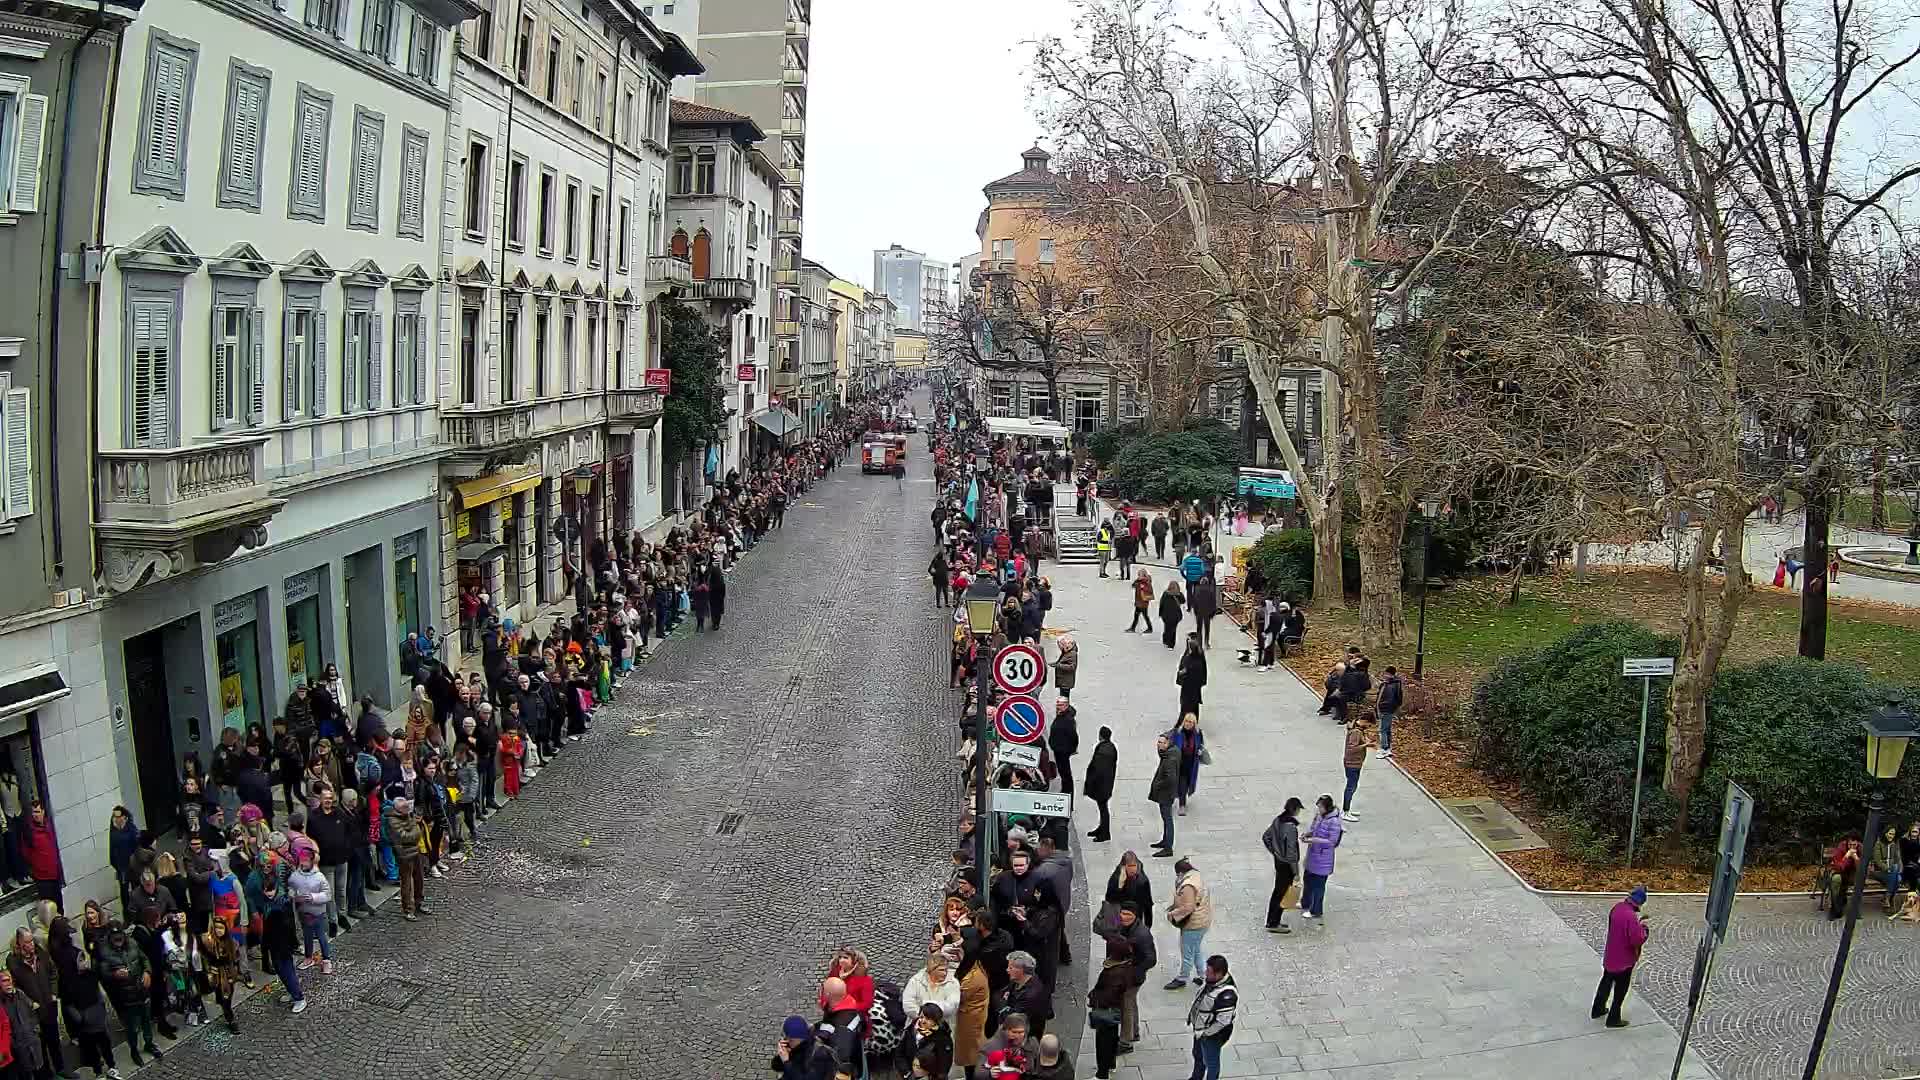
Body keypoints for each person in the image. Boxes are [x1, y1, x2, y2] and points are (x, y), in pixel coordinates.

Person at [1593, 886, 1649, 1028]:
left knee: (1605, 982)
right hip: (1624, 960)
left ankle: (1597, 1009)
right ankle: (1613, 1018)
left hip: (1610, 955)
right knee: (1620, 990)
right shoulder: (1630, 916)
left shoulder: (1617, 908)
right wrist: (1644, 928)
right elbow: (1637, 939)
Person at [1186, 955, 1238, 1080]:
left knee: (1211, 1063)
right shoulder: (1213, 982)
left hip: (1212, 1035)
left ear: (1219, 974)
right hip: (1200, 1030)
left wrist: (1205, 1033)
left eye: (1209, 972)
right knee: (1198, 1055)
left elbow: (1222, 1021)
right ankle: (1196, 1077)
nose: (1205, 974)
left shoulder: (1227, 994)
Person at [1165, 858, 1212, 990]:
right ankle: (1203, 975)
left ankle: (1182, 978)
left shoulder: (1188, 886)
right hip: (1203, 920)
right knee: (1195, 948)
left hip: (1194, 924)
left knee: (1187, 952)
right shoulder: (1196, 875)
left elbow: (1188, 907)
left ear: (1180, 872)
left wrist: (1172, 914)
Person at [1262, 797, 1304, 934]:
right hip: (1286, 865)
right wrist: (1296, 871)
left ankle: (1272, 920)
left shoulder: (1278, 820)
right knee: (1281, 893)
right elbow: (1292, 852)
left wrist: (1275, 852)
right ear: (1296, 809)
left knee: (1277, 891)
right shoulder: (1291, 827)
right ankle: (1274, 923)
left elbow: (1266, 837)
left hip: (1279, 862)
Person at [1300, 794, 1344, 922]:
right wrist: (1307, 834)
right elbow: (1313, 828)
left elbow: (1332, 841)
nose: (1318, 809)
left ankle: (1315, 911)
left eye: (1320, 807)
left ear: (1327, 807)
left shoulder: (1334, 822)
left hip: (1323, 858)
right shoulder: (1319, 816)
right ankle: (1305, 903)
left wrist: (1313, 840)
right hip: (1312, 855)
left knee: (1318, 886)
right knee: (1307, 880)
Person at [902, 952, 960, 1040]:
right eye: (941, 970)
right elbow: (908, 1004)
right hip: (917, 1028)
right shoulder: (916, 981)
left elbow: (952, 1005)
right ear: (931, 970)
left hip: (942, 1031)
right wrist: (923, 1020)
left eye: (946, 970)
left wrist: (930, 1017)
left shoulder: (953, 983)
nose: (945, 973)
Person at [1001, 950, 1052, 1038]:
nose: (1007, 970)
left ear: (1021, 970)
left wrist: (1003, 1004)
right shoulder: (1019, 980)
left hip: (1025, 1036)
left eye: (1010, 968)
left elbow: (1013, 1019)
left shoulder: (1031, 996)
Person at [1084, 727, 1117, 842]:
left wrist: (1090, 784)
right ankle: (1101, 828)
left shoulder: (1104, 751)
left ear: (1100, 736)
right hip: (1106, 784)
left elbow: (1097, 770)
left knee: (1103, 809)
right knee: (1103, 808)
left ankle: (1105, 834)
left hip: (1101, 786)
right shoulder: (1110, 747)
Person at [1169, 713, 1206, 815]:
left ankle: (1179, 800)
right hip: (1179, 764)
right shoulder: (1177, 733)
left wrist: (1200, 750)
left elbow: (1201, 744)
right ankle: (1182, 805)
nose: (1188, 724)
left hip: (1191, 764)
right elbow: (1169, 743)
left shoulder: (1198, 734)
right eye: (1186, 721)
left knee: (1187, 784)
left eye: (1190, 722)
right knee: (1182, 784)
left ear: (1194, 724)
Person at [1341, 720, 1373, 821]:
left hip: (1356, 763)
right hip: (1352, 763)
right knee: (1351, 787)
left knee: (1353, 786)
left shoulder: (1359, 731)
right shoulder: (1356, 732)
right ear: (1365, 721)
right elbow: (1352, 748)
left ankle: (1347, 809)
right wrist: (1366, 745)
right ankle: (1345, 811)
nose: (1369, 726)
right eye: (1369, 724)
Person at [1048, 699, 1079, 805]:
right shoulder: (1061, 716)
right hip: (1059, 749)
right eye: (1057, 705)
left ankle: (1068, 796)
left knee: (1066, 774)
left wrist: (1070, 749)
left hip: (1062, 751)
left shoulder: (1068, 720)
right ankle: (1065, 792)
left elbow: (1074, 737)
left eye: (1060, 705)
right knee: (1063, 773)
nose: (1058, 707)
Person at [1872, 825, 1904, 912]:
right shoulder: (1878, 843)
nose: (1891, 836)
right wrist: (1887, 869)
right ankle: (1888, 898)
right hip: (1879, 872)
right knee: (1895, 877)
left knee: (1897, 878)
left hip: (1892, 872)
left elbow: (1898, 859)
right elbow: (1877, 861)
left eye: (1893, 834)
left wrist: (1900, 871)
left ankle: (1887, 899)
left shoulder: (1895, 844)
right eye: (1890, 833)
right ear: (1885, 833)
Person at [1176, 637, 1207, 722]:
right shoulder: (1199, 657)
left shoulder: (1192, 660)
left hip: (1189, 687)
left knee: (1186, 705)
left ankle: (1185, 721)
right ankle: (1193, 720)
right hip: (1194, 687)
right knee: (1194, 705)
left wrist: (1183, 672)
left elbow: (1186, 669)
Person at [1375, 666, 1403, 758]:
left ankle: (1384, 748)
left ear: (1391, 675)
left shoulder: (1392, 685)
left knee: (1382, 730)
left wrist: (1385, 706)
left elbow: (1396, 699)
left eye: (1386, 674)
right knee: (1387, 729)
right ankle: (1388, 748)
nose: (1384, 675)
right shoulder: (1387, 684)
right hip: (1385, 709)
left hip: (1386, 709)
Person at [1190, 574, 1217, 649]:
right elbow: (1213, 603)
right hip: (1207, 612)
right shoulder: (1210, 591)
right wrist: (1213, 613)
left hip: (1199, 612)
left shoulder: (1197, 589)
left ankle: (1199, 643)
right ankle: (1206, 643)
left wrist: (1195, 611)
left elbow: (1194, 602)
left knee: (1199, 628)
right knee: (1207, 628)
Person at [1157, 581, 1184, 649]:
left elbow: (1161, 604)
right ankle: (1171, 644)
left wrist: (1160, 613)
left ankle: (1166, 640)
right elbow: (1183, 601)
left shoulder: (1165, 594)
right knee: (1173, 629)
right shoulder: (1179, 594)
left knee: (1167, 628)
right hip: (1175, 616)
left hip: (1166, 615)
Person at [1050, 636, 1078, 701]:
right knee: (1063, 699)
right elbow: (1061, 662)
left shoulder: (1072, 653)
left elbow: (1072, 667)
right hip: (1063, 681)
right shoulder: (1066, 652)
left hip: (1066, 682)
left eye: (1062, 645)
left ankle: (1065, 710)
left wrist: (1058, 665)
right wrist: (1055, 664)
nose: (1060, 647)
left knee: (1064, 699)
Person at [1127, 570, 1154, 634]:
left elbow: (1150, 591)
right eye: (1138, 575)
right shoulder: (1139, 582)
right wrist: (1137, 581)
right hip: (1138, 601)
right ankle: (1133, 628)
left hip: (1143, 602)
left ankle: (1150, 628)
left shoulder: (1147, 582)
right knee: (1136, 616)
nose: (1138, 576)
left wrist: (1143, 588)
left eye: (1140, 575)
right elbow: (1133, 586)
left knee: (1145, 616)